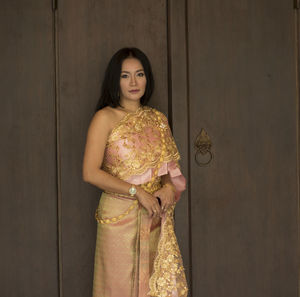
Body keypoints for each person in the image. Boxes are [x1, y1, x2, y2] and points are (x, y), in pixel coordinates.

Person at [82, 47, 188, 297]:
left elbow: (168, 172)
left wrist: (167, 188)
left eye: (139, 74)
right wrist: (136, 191)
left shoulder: (158, 119)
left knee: (151, 285)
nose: (133, 82)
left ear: (147, 78)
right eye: (125, 75)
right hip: (119, 217)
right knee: (118, 286)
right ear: (114, 80)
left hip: (153, 214)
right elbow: (90, 172)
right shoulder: (104, 118)